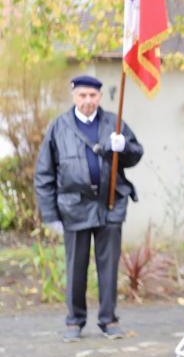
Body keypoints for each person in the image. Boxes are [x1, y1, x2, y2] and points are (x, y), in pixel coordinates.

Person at [34, 75, 144, 342]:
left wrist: (125, 146)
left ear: (100, 97)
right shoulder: (59, 127)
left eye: (92, 96)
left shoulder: (113, 123)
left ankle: (109, 320)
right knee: (76, 267)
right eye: (82, 96)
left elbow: (135, 154)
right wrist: (50, 215)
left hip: (110, 205)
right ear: (74, 96)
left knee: (108, 267)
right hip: (74, 207)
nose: (87, 101)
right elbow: (44, 174)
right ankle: (74, 321)